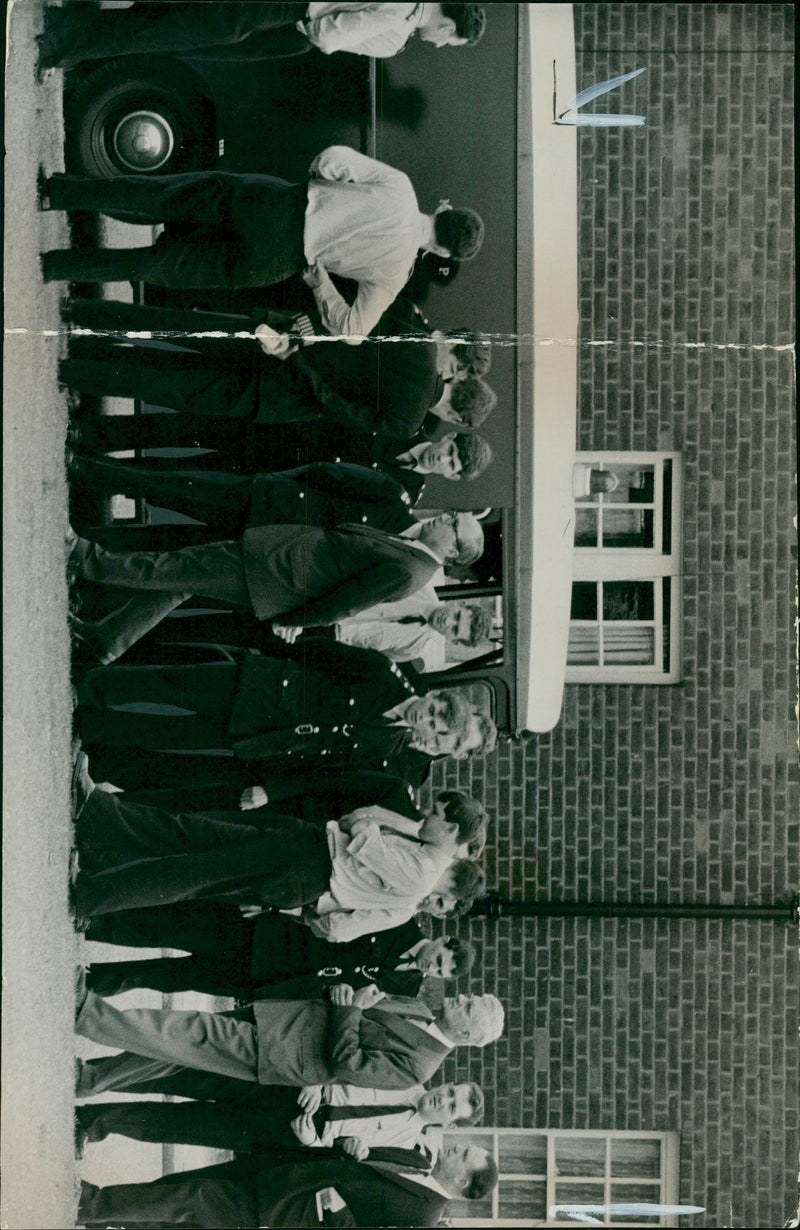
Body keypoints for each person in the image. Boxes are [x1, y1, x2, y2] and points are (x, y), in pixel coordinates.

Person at [41, 148, 485, 338]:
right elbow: (352, 332)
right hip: (280, 261)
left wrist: (319, 183)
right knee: (162, 265)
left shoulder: (402, 189)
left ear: (444, 210)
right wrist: (320, 285)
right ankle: (53, 267)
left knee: (163, 197)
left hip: (276, 205)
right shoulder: (395, 274)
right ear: (442, 253)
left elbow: (331, 158)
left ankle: (58, 193)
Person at [71, 776, 486, 928]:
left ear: (450, 829)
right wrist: (368, 825)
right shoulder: (421, 851)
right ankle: (97, 815)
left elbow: (360, 829)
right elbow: (359, 823)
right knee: (191, 834)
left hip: (305, 869)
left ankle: (90, 895)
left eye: (436, 813)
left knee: (189, 873)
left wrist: (373, 824)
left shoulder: (421, 871)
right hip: (304, 849)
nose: (426, 815)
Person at [67, 509, 485, 659]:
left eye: (453, 526)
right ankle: (109, 641)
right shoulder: (414, 553)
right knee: (180, 580)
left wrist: (297, 620)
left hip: (275, 574)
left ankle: (84, 557)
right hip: (278, 564)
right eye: (451, 515)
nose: (444, 519)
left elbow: (346, 603)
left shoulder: (411, 571)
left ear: (452, 552)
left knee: (173, 567)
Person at [73, 638, 495, 770]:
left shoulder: (388, 743)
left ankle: (89, 727)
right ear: (436, 695)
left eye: (437, 729)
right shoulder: (385, 674)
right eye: (437, 710)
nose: (429, 719)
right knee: (170, 685)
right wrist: (269, 654)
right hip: (263, 686)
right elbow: (320, 651)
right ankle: (91, 687)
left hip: (267, 733)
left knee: (174, 733)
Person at [75, 969, 506, 1089]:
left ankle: (88, 1015)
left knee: (192, 1032)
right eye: (471, 996)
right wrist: (350, 995)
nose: (462, 997)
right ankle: (94, 1079)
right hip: (287, 1019)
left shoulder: (419, 1068)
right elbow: (356, 1002)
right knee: (181, 1053)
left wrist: (351, 1009)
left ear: (467, 1036)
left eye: (469, 1006)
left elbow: (348, 1063)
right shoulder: (419, 1008)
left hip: (286, 1054)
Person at [75, 1140, 498, 1227]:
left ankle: (88, 1205)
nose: (456, 1148)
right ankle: (107, 1216)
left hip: (289, 1209)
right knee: (185, 1188)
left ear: (461, 1180)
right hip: (285, 1172)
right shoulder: (419, 1160)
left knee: (191, 1199)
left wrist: (335, 1209)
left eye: (463, 1155)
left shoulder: (424, 1215)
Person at [84, 907, 477, 1000]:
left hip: (282, 980)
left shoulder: (406, 986)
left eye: (439, 973)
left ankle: (94, 981)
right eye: (439, 958)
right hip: (277, 938)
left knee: (181, 978)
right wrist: (278, 909)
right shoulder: (400, 921)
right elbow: (334, 908)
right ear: (441, 940)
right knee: (181, 930)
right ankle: (97, 925)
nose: (432, 966)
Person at [75, 1078, 484, 1158]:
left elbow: (349, 1154)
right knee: (192, 1080)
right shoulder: (405, 1073)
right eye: (450, 1091)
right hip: (293, 1090)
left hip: (295, 1131)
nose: (441, 1099)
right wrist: (319, 1081)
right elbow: (348, 1058)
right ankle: (97, 1077)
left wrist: (315, 1143)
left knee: (186, 1125)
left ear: (448, 1124)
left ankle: (93, 1122)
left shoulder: (404, 1143)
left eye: (451, 1106)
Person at [39, 3, 487, 70]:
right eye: (450, 41)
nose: (441, 44)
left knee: (172, 11)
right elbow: (333, 36)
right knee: (174, 31)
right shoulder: (402, 22)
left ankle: (65, 28)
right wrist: (314, 32)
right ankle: (59, 46)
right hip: (287, 15)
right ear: (448, 27)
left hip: (288, 11)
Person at [70, 457, 418, 542]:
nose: (444, 521)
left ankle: (88, 537)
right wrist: (278, 484)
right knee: (174, 487)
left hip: (265, 543)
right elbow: (330, 473)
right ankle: (88, 472)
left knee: (171, 540)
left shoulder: (399, 553)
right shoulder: (394, 501)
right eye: (450, 517)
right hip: (268, 501)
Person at [337, 587, 493, 672]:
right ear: (460, 604)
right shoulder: (419, 587)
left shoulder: (415, 648)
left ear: (454, 641)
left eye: (454, 629)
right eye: (457, 616)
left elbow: (372, 657)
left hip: (334, 641)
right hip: (333, 603)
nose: (447, 621)